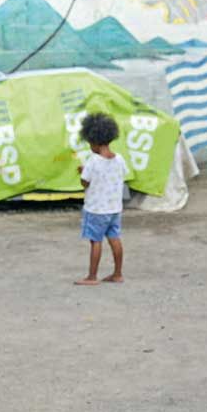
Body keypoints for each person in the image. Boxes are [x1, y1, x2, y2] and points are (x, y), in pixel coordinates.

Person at [75, 113, 128, 286]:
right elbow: (117, 175)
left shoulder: (93, 161)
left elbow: (85, 183)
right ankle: (118, 273)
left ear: (95, 142)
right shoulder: (119, 159)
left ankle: (92, 276)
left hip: (96, 210)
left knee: (95, 241)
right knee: (115, 238)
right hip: (114, 208)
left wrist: (82, 173)